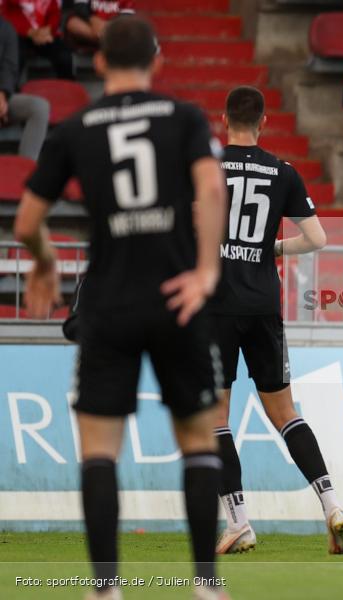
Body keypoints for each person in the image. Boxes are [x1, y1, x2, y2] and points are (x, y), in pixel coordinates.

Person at [13, 16, 229, 600]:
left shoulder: (75, 128)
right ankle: (206, 585)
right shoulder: (184, 118)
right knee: (196, 440)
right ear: (156, 62)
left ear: (99, 62)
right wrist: (207, 271)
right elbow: (212, 191)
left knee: (99, 448)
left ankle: (106, 588)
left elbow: (27, 221)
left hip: (107, 303)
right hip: (178, 298)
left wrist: (44, 261)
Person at [211, 85, 343, 556]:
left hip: (217, 306)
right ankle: (332, 505)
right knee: (285, 413)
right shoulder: (282, 171)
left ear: (223, 118)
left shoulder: (206, 168)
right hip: (264, 305)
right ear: (265, 121)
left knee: (215, 417)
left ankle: (238, 523)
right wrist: (272, 248)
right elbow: (317, 237)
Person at [0, 15, 50, 160]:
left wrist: (2, 95)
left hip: (3, 97)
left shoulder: (6, 28)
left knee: (39, 107)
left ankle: (25, 168)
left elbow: (10, 67)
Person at [2, 0, 75, 79]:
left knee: (64, 56)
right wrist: (30, 32)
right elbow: (7, 15)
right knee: (15, 55)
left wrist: (48, 29)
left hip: (44, 33)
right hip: (19, 33)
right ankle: (9, 89)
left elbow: (54, 13)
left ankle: (67, 87)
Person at [65, 0, 135, 49]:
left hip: (113, 28)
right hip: (90, 27)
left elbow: (125, 16)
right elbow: (79, 8)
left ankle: (105, 39)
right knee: (72, 22)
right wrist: (92, 19)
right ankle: (107, 40)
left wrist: (106, 25)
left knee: (127, 27)